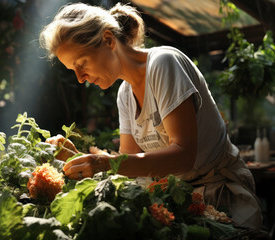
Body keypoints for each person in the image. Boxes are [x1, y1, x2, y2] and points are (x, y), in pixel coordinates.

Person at [40, 2, 262, 230]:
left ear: (108, 40)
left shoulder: (164, 63)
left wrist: (102, 163)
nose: (79, 78)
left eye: (82, 63)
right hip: (180, 203)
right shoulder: (125, 95)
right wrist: (79, 161)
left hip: (221, 201)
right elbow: (127, 169)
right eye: (73, 70)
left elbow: (184, 155)